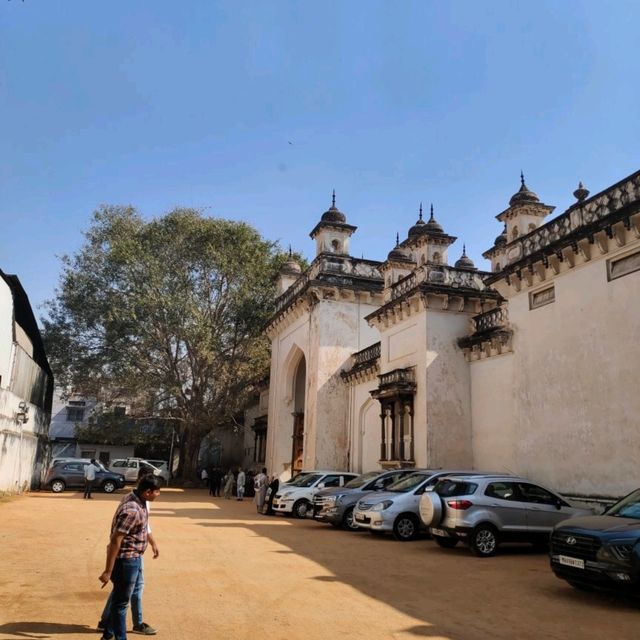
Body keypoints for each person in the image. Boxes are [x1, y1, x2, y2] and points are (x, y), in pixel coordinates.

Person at [98, 474, 162, 640]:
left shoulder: (137, 499)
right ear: (148, 492)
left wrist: (152, 542)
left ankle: (107, 635)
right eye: (157, 492)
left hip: (133, 558)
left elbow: (143, 528)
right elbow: (115, 541)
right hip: (126, 561)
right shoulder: (132, 510)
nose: (158, 495)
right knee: (120, 605)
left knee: (120, 599)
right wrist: (107, 571)